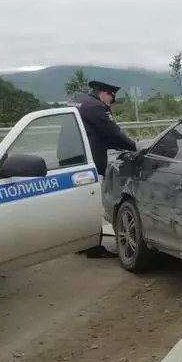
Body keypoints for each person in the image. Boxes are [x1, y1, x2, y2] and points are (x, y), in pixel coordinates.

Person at [62, 80, 138, 258]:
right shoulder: (96, 107)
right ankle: (93, 247)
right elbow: (112, 133)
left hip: (68, 157)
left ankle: (82, 243)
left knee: (78, 204)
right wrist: (133, 146)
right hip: (88, 161)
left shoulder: (78, 101)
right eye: (111, 99)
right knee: (91, 203)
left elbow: (95, 133)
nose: (111, 103)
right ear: (104, 94)